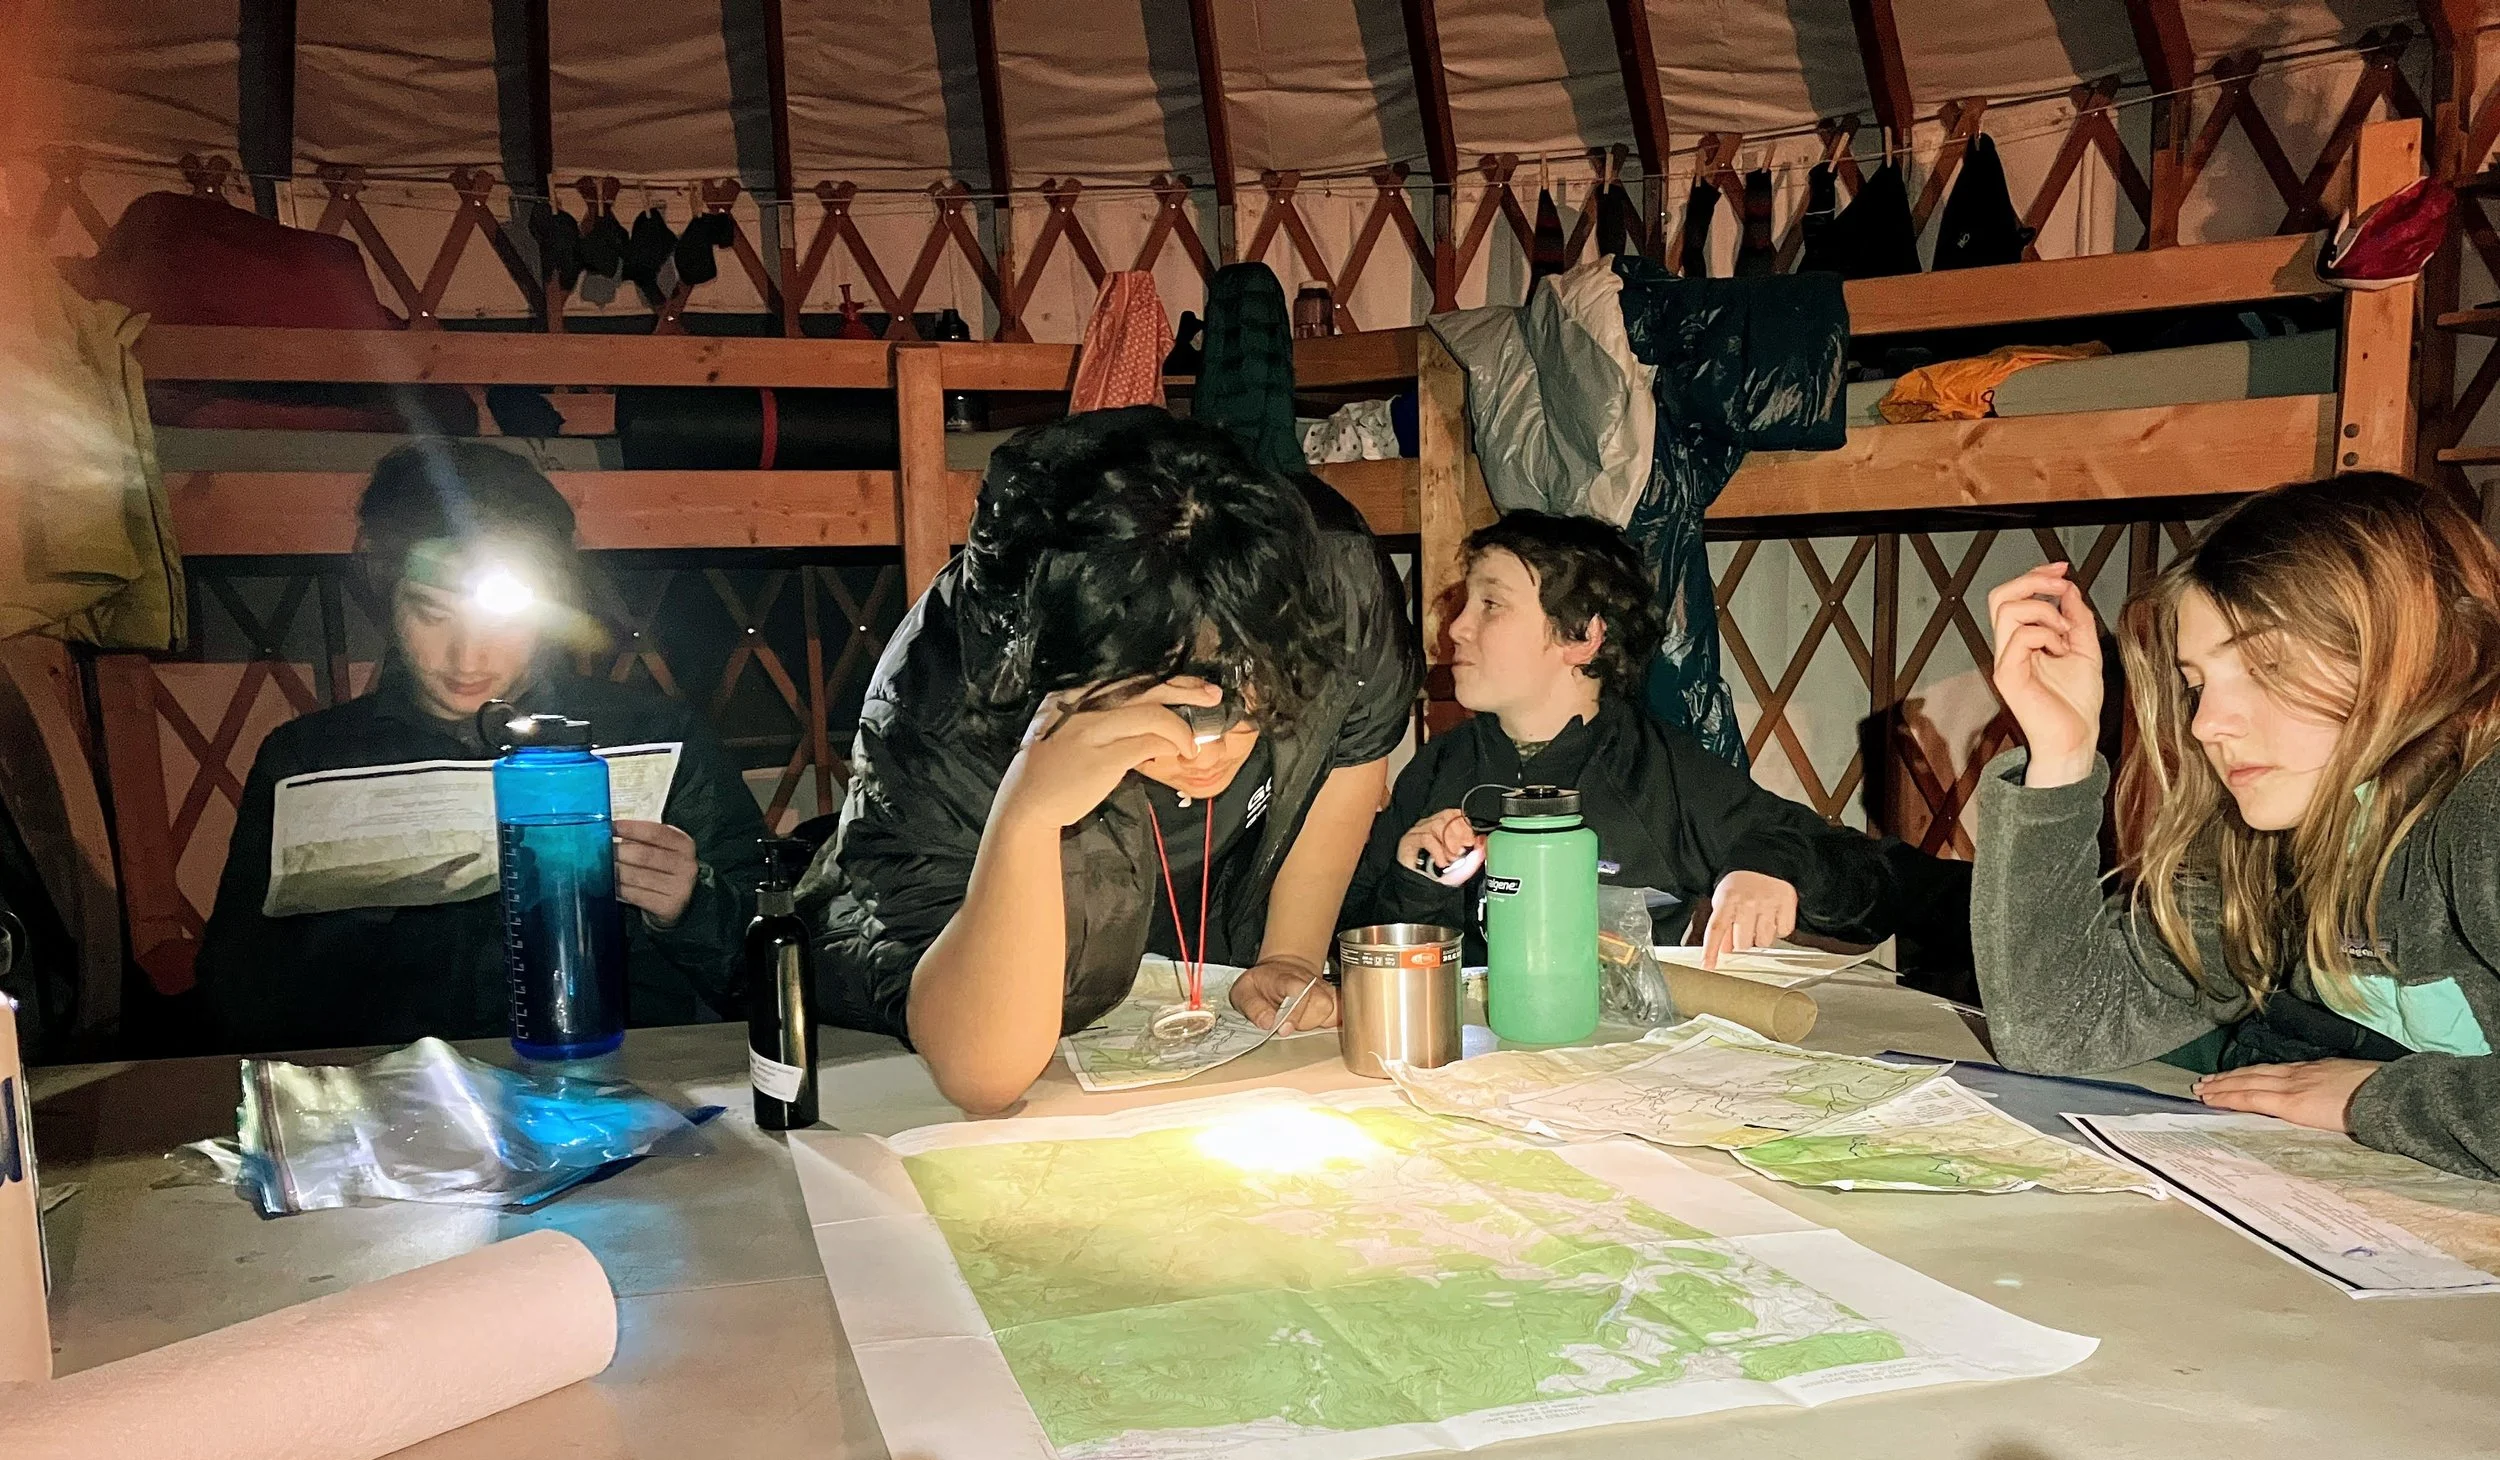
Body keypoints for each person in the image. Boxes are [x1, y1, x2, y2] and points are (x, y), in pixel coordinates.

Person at [799, 408, 1420, 1113]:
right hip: (962, 981)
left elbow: (1351, 751)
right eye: (1171, 700)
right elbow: (982, 1074)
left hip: (1203, 944)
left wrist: (1292, 954)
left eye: (1247, 684)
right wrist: (1028, 815)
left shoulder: (1329, 579)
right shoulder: (945, 702)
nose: (1207, 741)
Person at [1979, 472, 2500, 1181]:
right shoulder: (2279, 843)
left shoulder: (2483, 812)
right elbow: (2058, 1027)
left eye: (2265, 664)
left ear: (2408, 655)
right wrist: (2063, 755)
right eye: (2196, 684)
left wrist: (2376, 1100)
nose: (2206, 725)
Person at [197, 442, 769, 1050]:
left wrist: (692, 904)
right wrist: (339, 925)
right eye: (431, 614)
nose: (467, 658)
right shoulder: (311, 760)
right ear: (386, 597)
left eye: (501, 616)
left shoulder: (656, 738)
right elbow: (232, 1003)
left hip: (620, 1090)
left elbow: (776, 974)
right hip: (394, 1112)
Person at [1342, 511, 1969, 972]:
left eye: (1491, 605)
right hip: (1462, 1071)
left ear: (1581, 637)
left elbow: (1878, 875)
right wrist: (1417, 879)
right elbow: (1347, 946)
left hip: (1613, 1072)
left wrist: (1777, 870)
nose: (1457, 626)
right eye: (1463, 603)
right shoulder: (1439, 766)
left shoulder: (1653, 772)